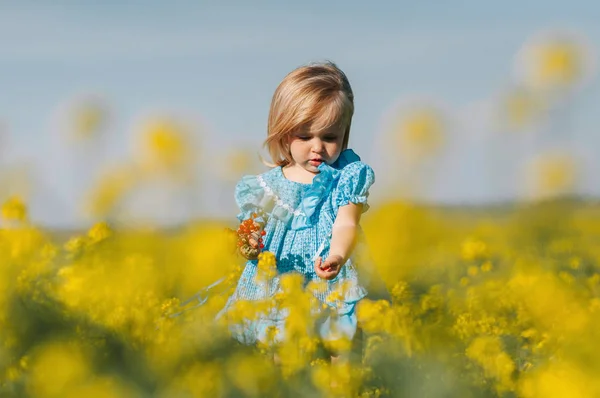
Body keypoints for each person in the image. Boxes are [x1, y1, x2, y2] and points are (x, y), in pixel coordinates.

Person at [218, 61, 383, 355]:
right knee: (280, 347)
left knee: (341, 346)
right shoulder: (264, 187)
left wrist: (337, 255)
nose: (317, 147)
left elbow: (346, 223)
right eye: (305, 136)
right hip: (279, 280)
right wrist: (248, 244)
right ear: (283, 133)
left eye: (329, 137)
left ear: (344, 134)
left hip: (332, 276)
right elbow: (250, 233)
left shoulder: (346, 177)